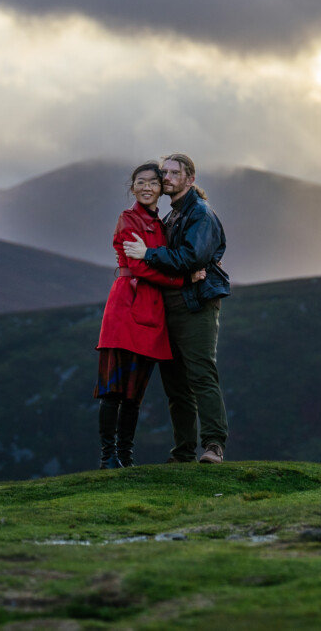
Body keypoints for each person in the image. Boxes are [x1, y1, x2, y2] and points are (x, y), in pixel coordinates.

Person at [94, 161, 204, 468]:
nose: (147, 187)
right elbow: (140, 266)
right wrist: (183, 279)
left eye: (153, 183)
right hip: (126, 307)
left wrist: (205, 262)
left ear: (162, 189)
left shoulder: (164, 225)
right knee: (113, 390)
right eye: (141, 182)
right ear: (132, 188)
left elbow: (177, 256)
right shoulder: (128, 219)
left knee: (134, 393)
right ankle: (108, 457)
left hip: (152, 312)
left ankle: (125, 457)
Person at [123, 152, 231, 464]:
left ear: (190, 179)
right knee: (175, 385)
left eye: (174, 173)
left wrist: (149, 254)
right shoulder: (174, 214)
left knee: (200, 375)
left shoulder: (199, 213)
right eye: (164, 173)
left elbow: (191, 258)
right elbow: (188, 260)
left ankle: (214, 446)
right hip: (170, 304)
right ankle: (183, 452)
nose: (166, 178)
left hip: (196, 304)